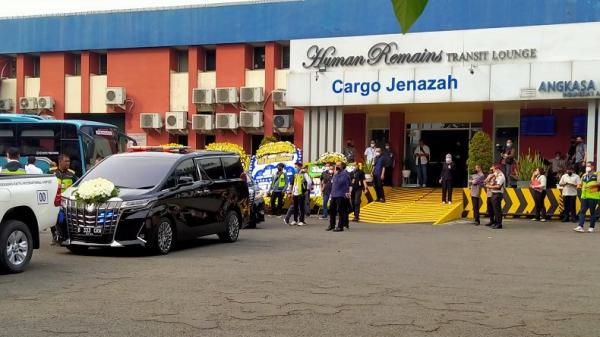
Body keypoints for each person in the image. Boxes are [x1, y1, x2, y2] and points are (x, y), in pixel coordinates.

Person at [573, 162, 600, 233]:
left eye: (589, 166)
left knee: (592, 212)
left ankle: (591, 227)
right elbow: (580, 184)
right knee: (582, 211)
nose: (587, 167)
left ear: (593, 167)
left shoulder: (597, 174)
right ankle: (580, 226)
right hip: (584, 196)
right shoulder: (584, 175)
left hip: (593, 196)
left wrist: (591, 187)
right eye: (587, 166)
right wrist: (579, 185)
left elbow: (599, 184)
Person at [327, 162, 352, 232]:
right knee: (332, 211)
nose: (336, 166)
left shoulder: (345, 174)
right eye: (336, 165)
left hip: (341, 195)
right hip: (334, 195)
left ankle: (340, 226)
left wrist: (336, 174)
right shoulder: (335, 174)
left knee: (341, 211)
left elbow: (342, 182)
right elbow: (333, 183)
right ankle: (332, 225)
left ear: (342, 166)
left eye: (338, 165)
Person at [286, 162, 312, 226]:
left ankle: (301, 221)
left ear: (300, 167)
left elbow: (309, 182)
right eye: (295, 167)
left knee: (301, 207)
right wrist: (292, 191)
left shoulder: (304, 174)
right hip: (295, 193)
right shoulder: (296, 174)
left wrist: (307, 189)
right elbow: (294, 184)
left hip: (301, 193)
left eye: (296, 167)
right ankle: (295, 220)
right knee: (295, 207)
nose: (295, 168)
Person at [486, 165, 506, 229]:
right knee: (494, 209)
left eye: (494, 170)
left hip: (498, 194)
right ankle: (495, 222)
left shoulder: (501, 176)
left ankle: (499, 224)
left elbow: (498, 186)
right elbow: (488, 179)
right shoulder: (496, 175)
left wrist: (489, 187)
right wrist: (492, 176)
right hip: (494, 193)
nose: (493, 171)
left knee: (497, 210)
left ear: (497, 169)